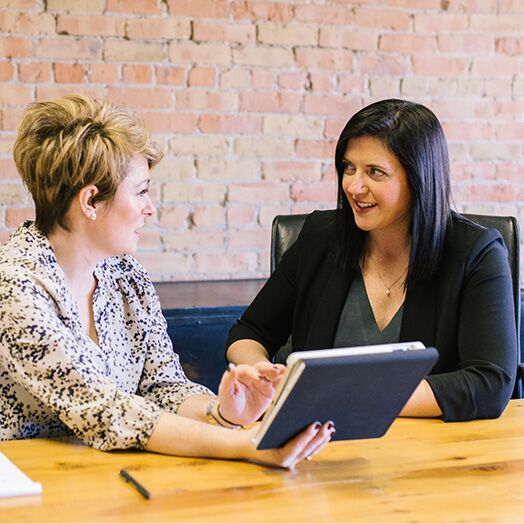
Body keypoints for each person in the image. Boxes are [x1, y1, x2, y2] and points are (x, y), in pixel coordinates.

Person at [0, 94, 334, 468]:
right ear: (90, 201)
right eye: (141, 191)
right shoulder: (15, 286)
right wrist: (245, 445)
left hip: (117, 474)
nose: (151, 207)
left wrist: (221, 411)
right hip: (31, 488)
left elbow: (162, 387)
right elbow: (107, 412)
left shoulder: (126, 275)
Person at [226, 99, 518, 422]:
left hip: (429, 452)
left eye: (375, 172)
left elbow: (490, 382)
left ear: (419, 178)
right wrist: (259, 374)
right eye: (349, 168)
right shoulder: (320, 238)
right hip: (317, 446)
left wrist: (348, 398)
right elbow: (249, 332)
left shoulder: (477, 253)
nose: (353, 186)